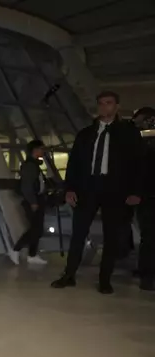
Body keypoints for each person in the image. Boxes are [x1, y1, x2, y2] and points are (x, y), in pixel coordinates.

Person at [51, 91, 144, 294]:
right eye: (101, 104)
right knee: (78, 234)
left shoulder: (128, 133)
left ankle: (104, 279)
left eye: (109, 103)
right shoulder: (86, 134)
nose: (104, 107)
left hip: (116, 190)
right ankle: (69, 275)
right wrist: (70, 189)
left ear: (117, 106)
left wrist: (136, 191)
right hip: (87, 187)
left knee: (112, 236)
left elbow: (138, 164)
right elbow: (74, 164)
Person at [10, 140, 48, 265]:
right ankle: (16, 249)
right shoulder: (30, 166)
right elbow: (27, 186)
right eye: (41, 149)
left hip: (37, 200)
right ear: (35, 150)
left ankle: (32, 254)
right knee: (36, 229)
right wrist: (33, 201)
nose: (43, 151)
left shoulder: (34, 165)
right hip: (33, 201)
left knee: (36, 229)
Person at [131, 107, 155, 291]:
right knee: (149, 237)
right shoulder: (142, 145)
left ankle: (145, 273)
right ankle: (146, 275)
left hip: (145, 197)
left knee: (148, 237)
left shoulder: (141, 145)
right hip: (147, 198)